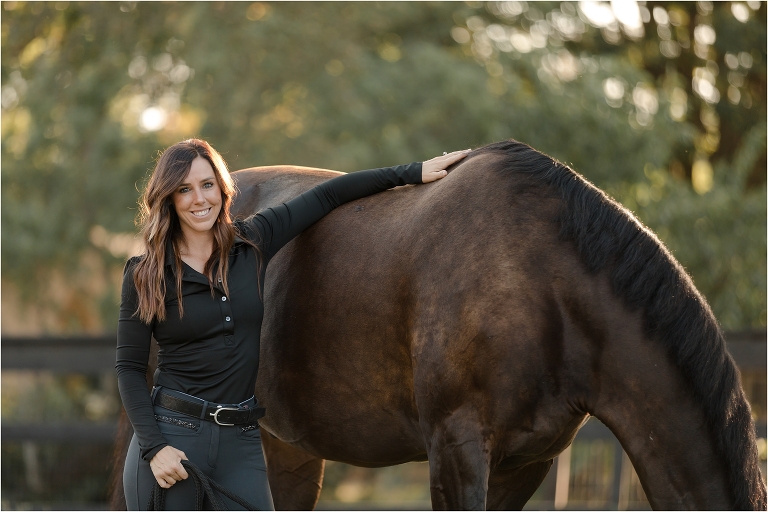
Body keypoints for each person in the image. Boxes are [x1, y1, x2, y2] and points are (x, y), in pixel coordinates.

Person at [116, 138, 469, 510]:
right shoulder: (145, 275)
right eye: (184, 190)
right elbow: (129, 368)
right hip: (175, 437)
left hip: (241, 440)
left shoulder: (251, 243)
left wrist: (413, 172)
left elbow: (328, 196)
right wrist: (155, 448)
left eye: (207, 185)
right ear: (168, 197)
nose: (199, 199)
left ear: (222, 188)